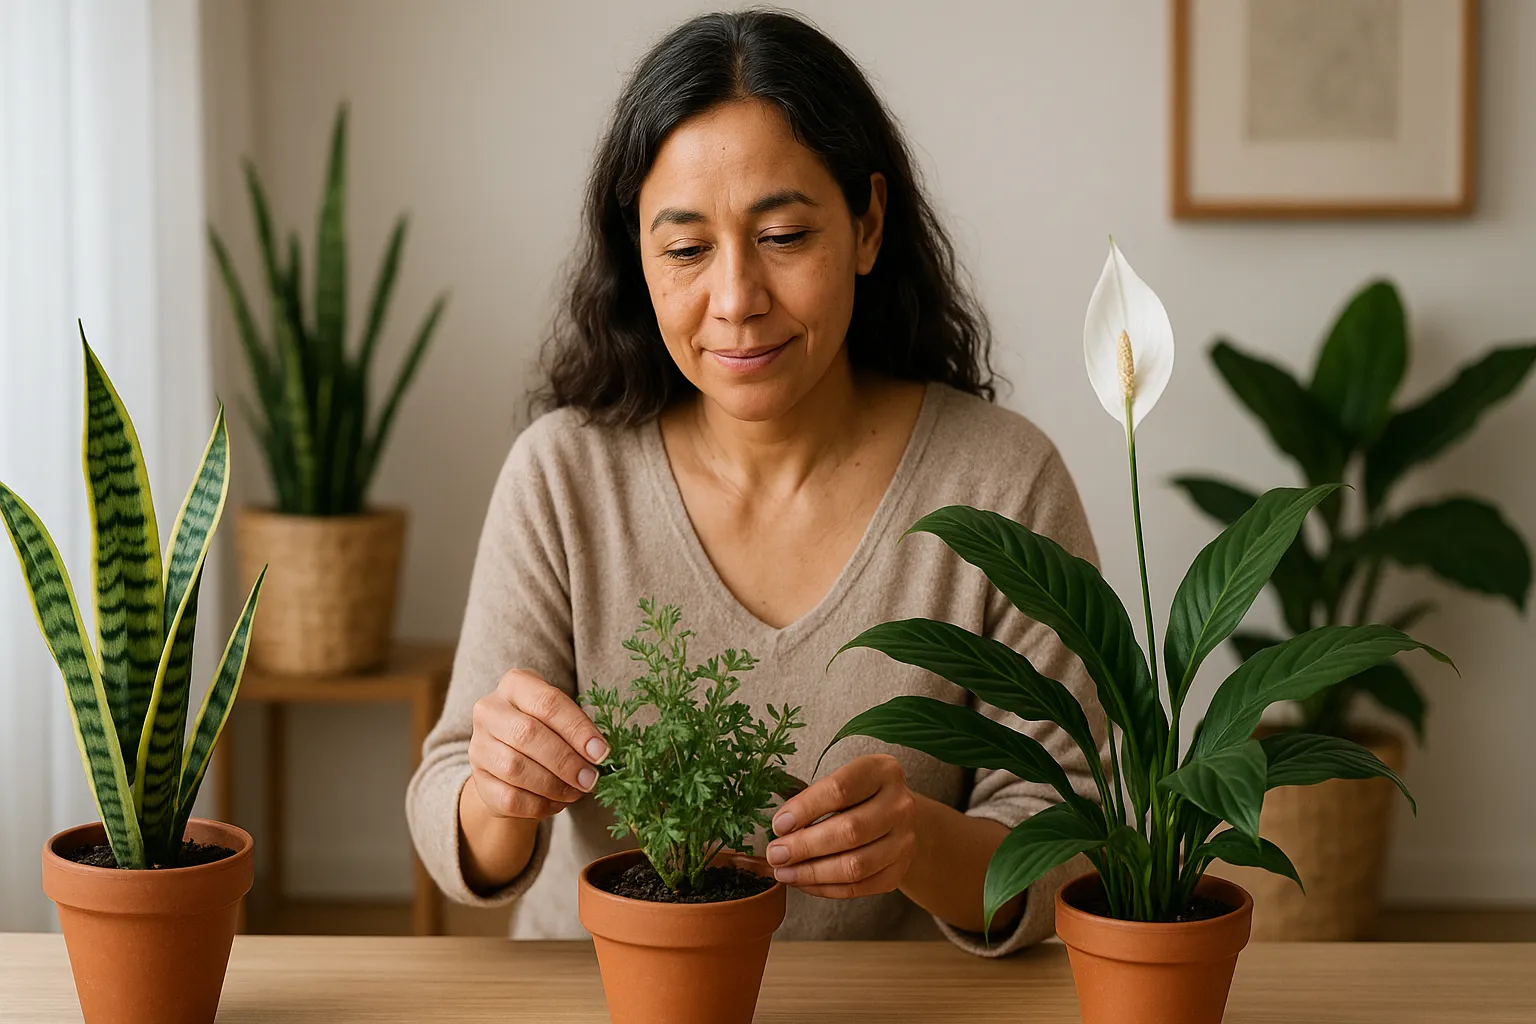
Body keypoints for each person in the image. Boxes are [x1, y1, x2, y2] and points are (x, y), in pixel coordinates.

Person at [406, 8, 1108, 956]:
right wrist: (499, 790)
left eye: (782, 235)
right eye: (687, 251)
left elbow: (1078, 832)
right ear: (639, 257)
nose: (736, 300)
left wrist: (920, 845)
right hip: (603, 994)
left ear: (867, 224)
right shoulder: (564, 475)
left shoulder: (1003, 483)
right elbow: (458, 811)